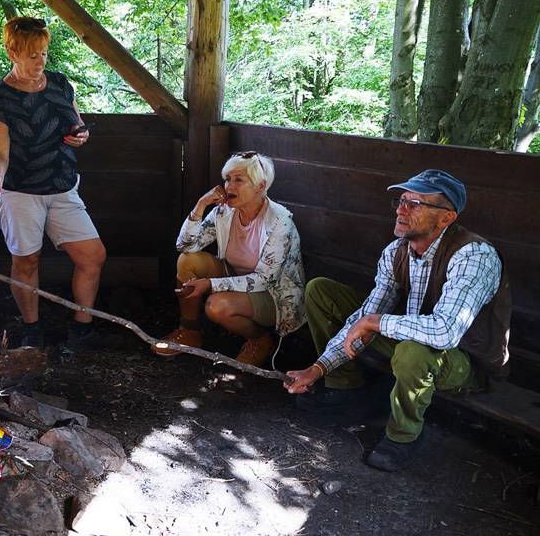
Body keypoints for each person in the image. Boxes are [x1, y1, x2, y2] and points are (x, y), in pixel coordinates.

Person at [284, 169, 510, 472]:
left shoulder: (474, 256)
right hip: (410, 342)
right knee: (321, 291)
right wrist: (317, 368)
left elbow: (445, 331)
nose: (401, 210)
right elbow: (365, 317)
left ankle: (403, 435)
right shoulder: (397, 250)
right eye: (401, 201)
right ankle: (345, 390)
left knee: (412, 350)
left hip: (465, 362)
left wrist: (375, 323)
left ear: (446, 218)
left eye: (415, 204)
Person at [0, 16, 106, 349]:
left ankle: (82, 329)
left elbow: (75, 123)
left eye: (44, 54)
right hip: (19, 191)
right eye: (32, 55)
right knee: (27, 261)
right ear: (12, 52)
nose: (40, 62)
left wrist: (80, 134)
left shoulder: (60, 83)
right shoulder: (0, 98)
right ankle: (31, 329)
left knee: (92, 256)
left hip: (63, 186)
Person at [156, 152, 306, 366]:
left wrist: (210, 284)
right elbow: (185, 246)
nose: (229, 186)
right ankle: (189, 331)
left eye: (239, 180)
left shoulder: (280, 222)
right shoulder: (224, 211)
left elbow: (265, 280)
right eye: (227, 179)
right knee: (187, 260)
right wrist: (201, 205)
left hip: (273, 295)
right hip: (235, 277)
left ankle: (260, 340)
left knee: (217, 306)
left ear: (261, 186)